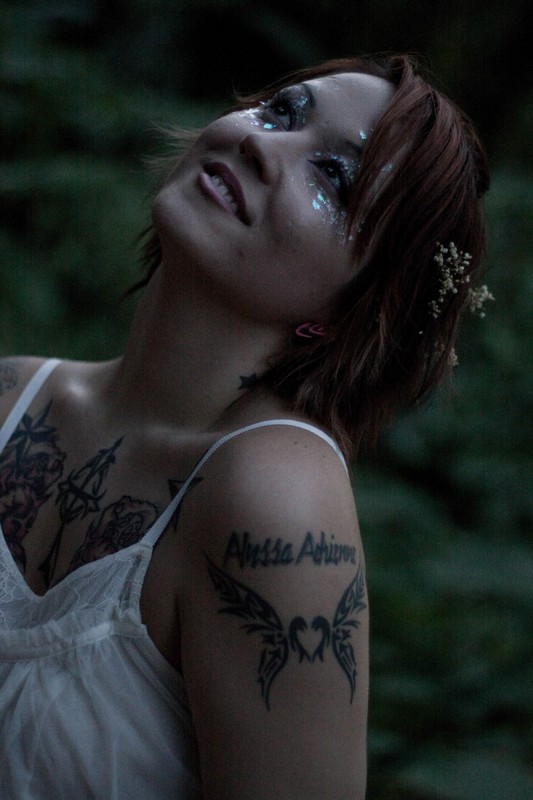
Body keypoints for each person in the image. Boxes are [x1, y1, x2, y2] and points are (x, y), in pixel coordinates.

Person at [0, 54, 488, 799]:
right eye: (281, 111)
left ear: (356, 309)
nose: (261, 143)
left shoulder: (274, 501)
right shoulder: (12, 396)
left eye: (335, 177)